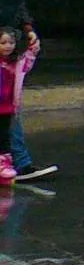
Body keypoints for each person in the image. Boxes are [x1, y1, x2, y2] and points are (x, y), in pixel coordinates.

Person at [0, 0, 49, 181]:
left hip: (7, 39)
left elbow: (19, 2)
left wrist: (28, 29)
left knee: (10, 105)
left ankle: (21, 162)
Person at [0, 25, 39, 187]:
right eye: (3, 43)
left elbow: (28, 60)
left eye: (11, 43)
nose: (8, 46)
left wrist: (33, 42)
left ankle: (6, 165)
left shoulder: (16, 62)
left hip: (8, 108)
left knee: (5, 137)